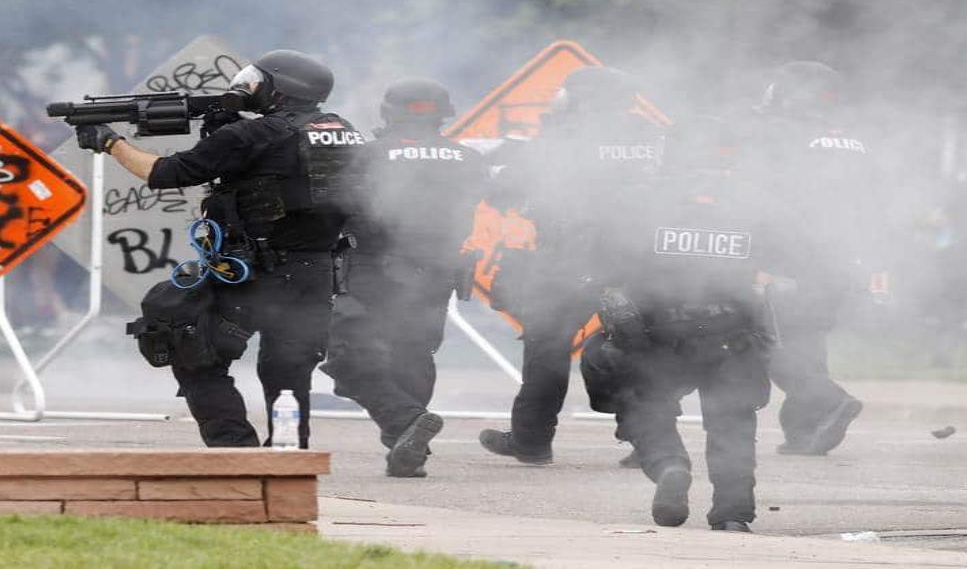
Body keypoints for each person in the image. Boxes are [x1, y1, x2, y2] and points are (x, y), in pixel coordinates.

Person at [78, 49, 361, 448]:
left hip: (256, 275)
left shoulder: (252, 135)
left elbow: (163, 172)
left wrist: (110, 142)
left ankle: (234, 450)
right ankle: (287, 456)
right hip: (315, 273)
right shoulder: (343, 131)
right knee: (287, 372)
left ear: (279, 89)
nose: (248, 86)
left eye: (257, 81)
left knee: (189, 345)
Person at [578, 148, 773, 532]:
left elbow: (600, 269)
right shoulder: (758, 204)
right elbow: (805, 261)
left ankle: (669, 464)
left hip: (656, 335)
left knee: (644, 404)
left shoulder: (636, 201)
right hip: (730, 336)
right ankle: (732, 515)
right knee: (732, 423)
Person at [479, 67, 665, 464]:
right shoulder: (651, 136)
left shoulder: (564, 136)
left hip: (571, 259)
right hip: (641, 259)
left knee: (547, 348)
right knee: (637, 345)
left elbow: (507, 190)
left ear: (581, 97)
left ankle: (531, 439)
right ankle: (651, 442)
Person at [321, 78, 485, 477]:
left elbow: (335, 206)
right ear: (443, 114)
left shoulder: (366, 155)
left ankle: (404, 422)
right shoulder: (468, 158)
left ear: (387, 112)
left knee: (347, 356)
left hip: (375, 268)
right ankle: (407, 449)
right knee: (414, 354)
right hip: (437, 271)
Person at [739, 60, 879, 456]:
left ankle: (826, 399)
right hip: (840, 260)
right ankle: (805, 432)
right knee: (806, 341)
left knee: (767, 339)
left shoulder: (775, 134)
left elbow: (757, 193)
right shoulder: (854, 138)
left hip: (789, 257)